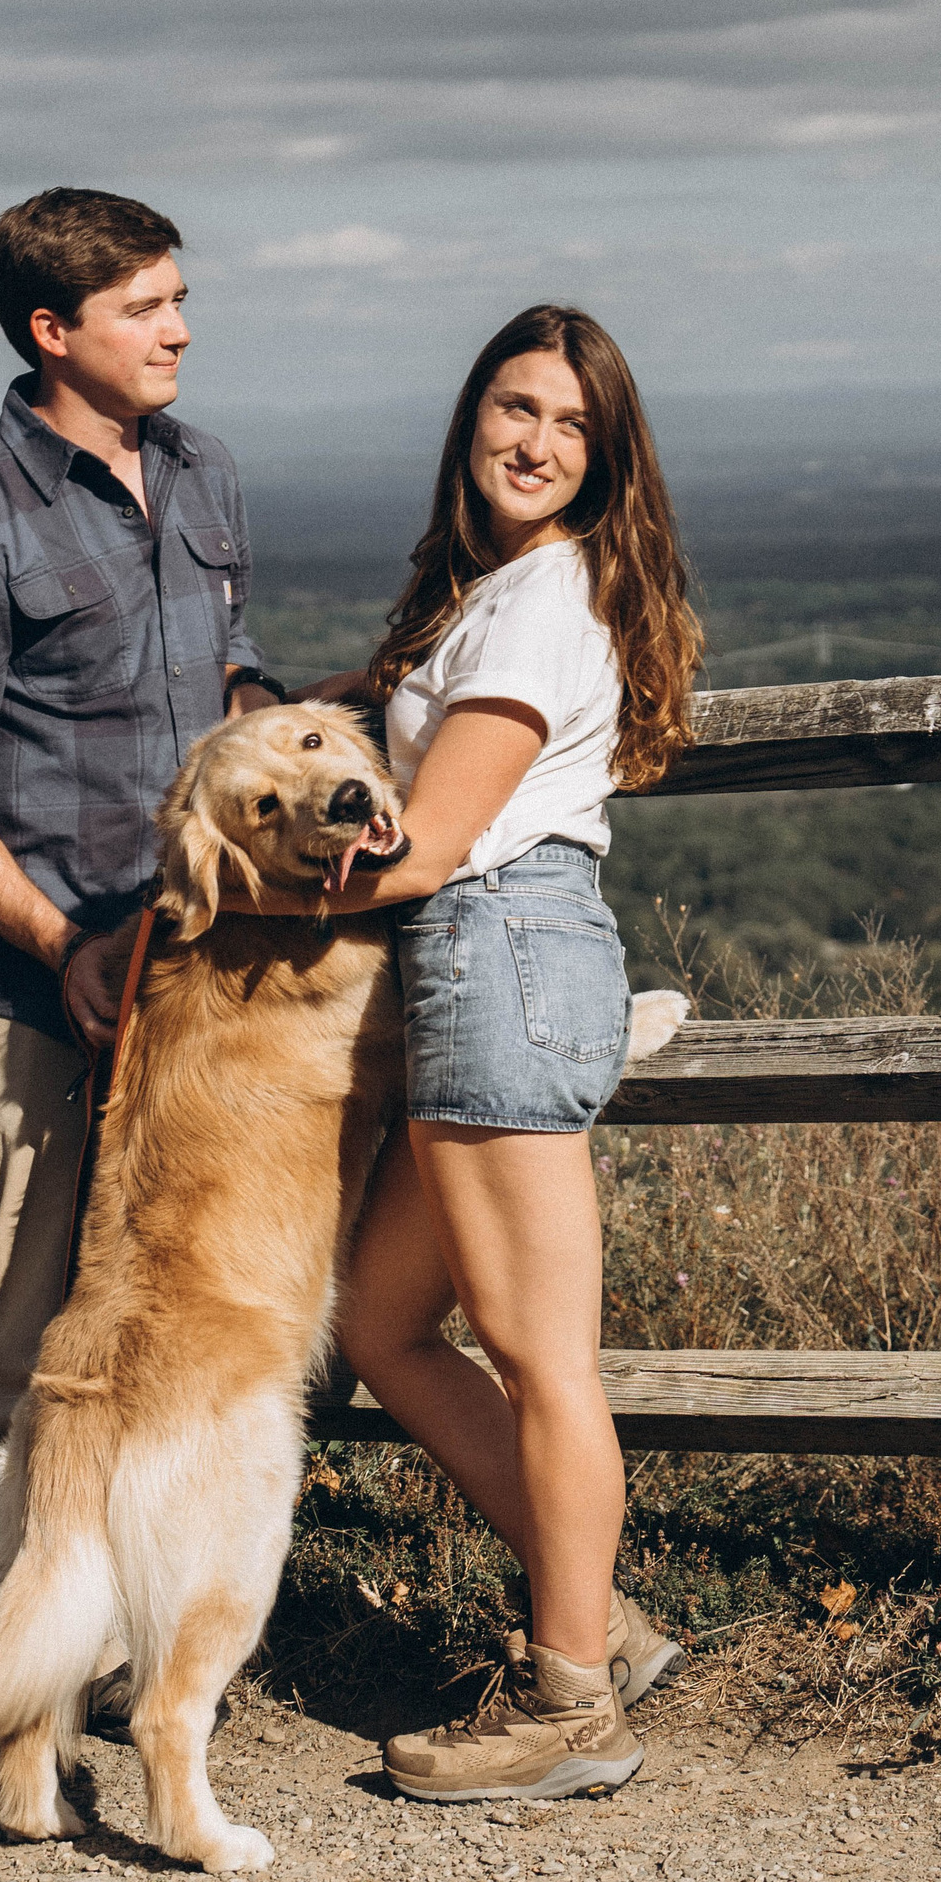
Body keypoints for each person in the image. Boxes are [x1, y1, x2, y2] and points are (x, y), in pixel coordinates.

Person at [234, 302, 704, 1800]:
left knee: (545, 1359)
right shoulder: (489, 595)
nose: (537, 442)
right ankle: (599, 1624)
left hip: (500, 946)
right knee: (378, 1325)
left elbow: (430, 848)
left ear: (605, 457)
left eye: (573, 426)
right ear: (472, 420)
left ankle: (569, 1704)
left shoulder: (538, 605)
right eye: (517, 409)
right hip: (480, 968)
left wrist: (229, 891)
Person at [0, 188, 281, 1816]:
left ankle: (119, 1656)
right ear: (54, 333)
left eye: (180, 300)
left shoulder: (202, 474)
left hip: (209, 1003)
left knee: (182, 1339)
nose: (180, 329)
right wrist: (65, 945)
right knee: (29, 1342)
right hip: (47, 997)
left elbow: (231, 693)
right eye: (146, 308)